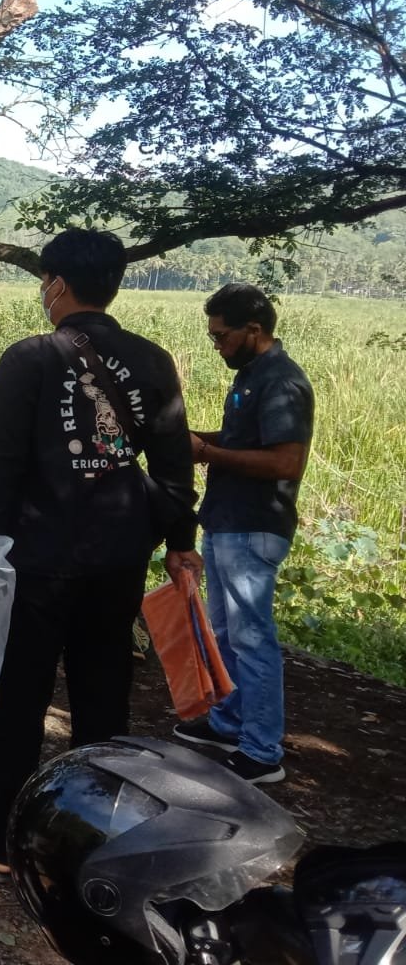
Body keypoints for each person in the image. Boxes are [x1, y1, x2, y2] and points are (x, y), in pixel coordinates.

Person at [0, 229, 201, 884]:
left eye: (44, 281)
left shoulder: (29, 360)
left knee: (20, 703)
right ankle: (86, 846)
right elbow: (174, 473)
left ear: (55, 284)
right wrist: (176, 544)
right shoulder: (153, 361)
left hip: (37, 562)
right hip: (115, 563)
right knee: (103, 703)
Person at [173, 284, 313, 785]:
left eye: (222, 336)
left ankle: (262, 750)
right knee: (228, 633)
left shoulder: (281, 382)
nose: (217, 346)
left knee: (253, 638)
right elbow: (241, 443)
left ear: (253, 330)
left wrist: (206, 453)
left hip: (254, 528)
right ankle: (228, 723)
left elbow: (285, 461)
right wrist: (189, 439)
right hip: (228, 520)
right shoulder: (251, 376)